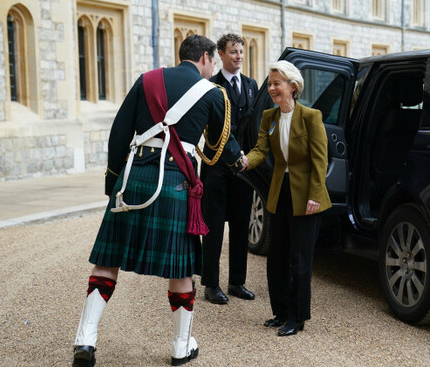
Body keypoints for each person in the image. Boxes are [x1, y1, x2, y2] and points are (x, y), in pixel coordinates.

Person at [71, 34, 248, 367]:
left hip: (134, 178)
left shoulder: (147, 79)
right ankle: (181, 347)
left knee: (107, 262)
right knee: (181, 269)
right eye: (212, 63)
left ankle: (86, 341)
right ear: (207, 58)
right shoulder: (213, 94)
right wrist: (240, 160)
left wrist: (114, 183)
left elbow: (119, 133)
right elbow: (218, 149)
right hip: (176, 184)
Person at [245, 60, 331, 336]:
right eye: (270, 84)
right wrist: (246, 160)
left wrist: (316, 195)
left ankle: (297, 316)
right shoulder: (269, 117)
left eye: (276, 83)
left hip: (307, 195)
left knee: (299, 258)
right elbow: (261, 150)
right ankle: (280, 311)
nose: (271, 88)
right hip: (279, 193)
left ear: (293, 86)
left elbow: (320, 160)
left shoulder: (311, 116)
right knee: (276, 256)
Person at [201, 34, 258, 304]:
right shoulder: (211, 85)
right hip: (216, 166)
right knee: (213, 226)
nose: (238, 56)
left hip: (243, 168)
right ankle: (211, 284)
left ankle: (237, 281)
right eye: (233, 52)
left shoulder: (251, 85)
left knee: (240, 224)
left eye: (241, 52)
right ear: (221, 55)